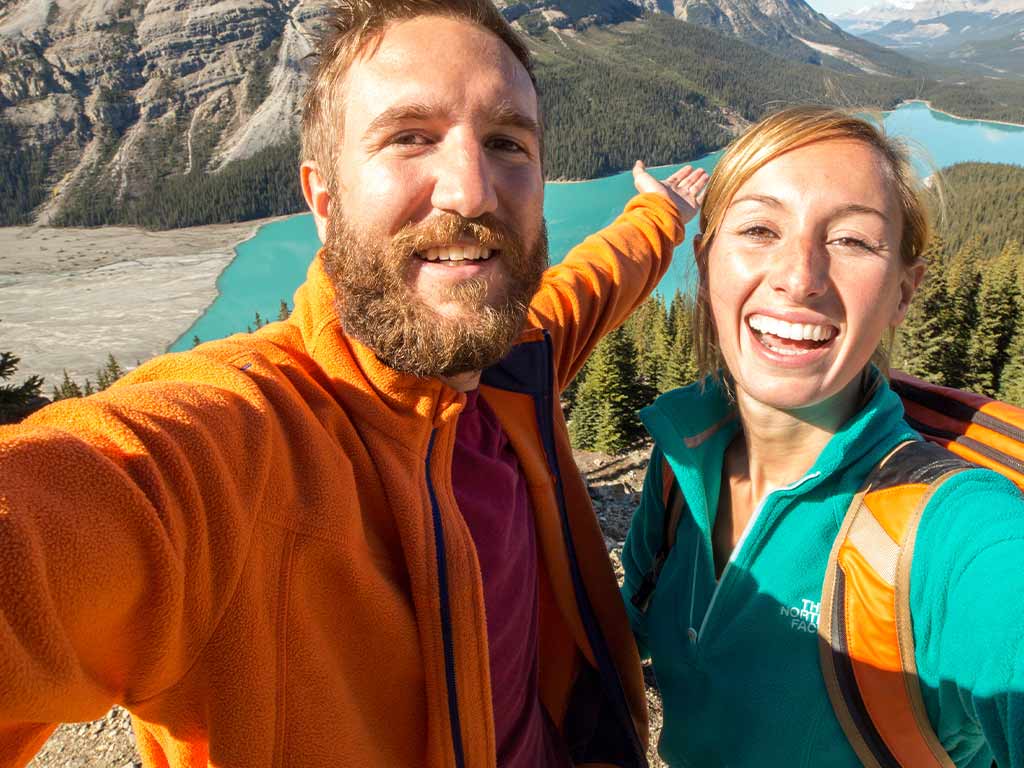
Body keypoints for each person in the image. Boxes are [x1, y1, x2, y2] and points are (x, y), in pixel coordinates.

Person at [0, 1, 709, 766]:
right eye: (410, 138)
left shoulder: (516, 360)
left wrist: (660, 212)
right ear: (324, 199)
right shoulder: (234, 439)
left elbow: (600, 277)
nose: (470, 193)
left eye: (507, 142)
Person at [621, 106, 1024, 768]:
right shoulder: (681, 462)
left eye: (852, 241)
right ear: (705, 260)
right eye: (757, 229)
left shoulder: (952, 532)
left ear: (903, 291)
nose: (799, 277)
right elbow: (628, 624)